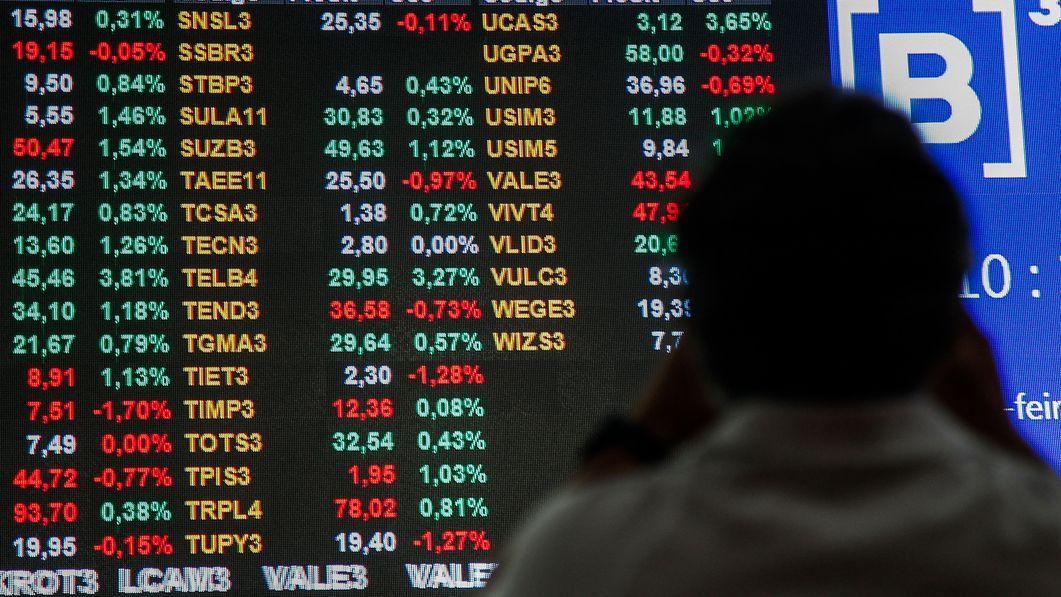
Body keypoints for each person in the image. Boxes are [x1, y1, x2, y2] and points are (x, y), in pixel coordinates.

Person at [486, 90, 1061, 596]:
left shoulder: (589, 556)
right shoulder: (1037, 543)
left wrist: (640, 436)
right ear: (954, 334)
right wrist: (1000, 439)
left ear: (702, 339)